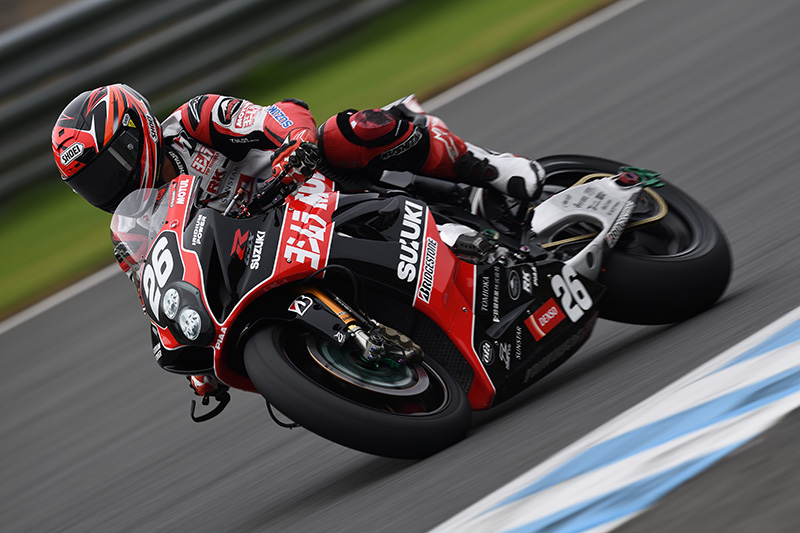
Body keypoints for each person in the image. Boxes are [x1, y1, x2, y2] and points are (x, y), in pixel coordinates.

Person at [51, 83, 545, 399]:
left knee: (348, 131)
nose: (108, 188)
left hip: (310, 187)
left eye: (110, 167)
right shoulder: (133, 231)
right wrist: (194, 363)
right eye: (91, 184)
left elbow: (279, 114)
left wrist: (295, 143)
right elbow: (160, 293)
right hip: (266, 260)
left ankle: (492, 169)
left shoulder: (195, 122)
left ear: (137, 133)